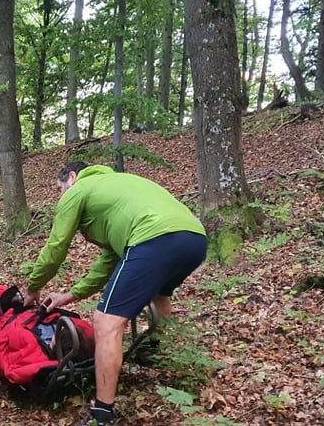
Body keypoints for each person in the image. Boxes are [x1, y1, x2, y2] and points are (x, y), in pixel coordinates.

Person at [23, 161, 207, 426]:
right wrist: (70, 296)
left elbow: (56, 247)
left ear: (72, 178)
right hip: (194, 237)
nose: (59, 195)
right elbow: (110, 261)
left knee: (106, 321)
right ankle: (153, 355)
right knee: (159, 296)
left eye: (59, 189)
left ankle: (102, 414)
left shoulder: (79, 189)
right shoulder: (114, 187)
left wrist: (34, 286)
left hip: (154, 236)